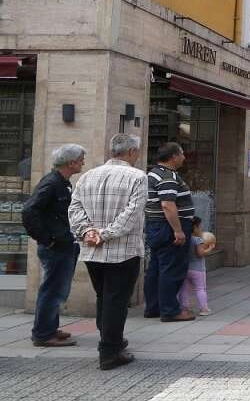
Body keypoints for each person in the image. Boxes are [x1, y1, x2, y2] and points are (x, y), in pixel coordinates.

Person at [69, 133, 147, 370]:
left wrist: (87, 231)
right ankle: (110, 351)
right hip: (122, 250)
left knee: (104, 297)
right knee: (116, 300)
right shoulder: (137, 177)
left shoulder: (88, 176)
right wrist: (104, 233)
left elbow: (74, 208)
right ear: (132, 152)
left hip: (92, 250)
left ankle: (111, 340)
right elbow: (132, 214)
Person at [23, 143, 86, 347]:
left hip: (64, 244)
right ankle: (43, 334)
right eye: (81, 160)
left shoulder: (62, 182)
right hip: (56, 246)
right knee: (53, 290)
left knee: (58, 290)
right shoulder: (51, 183)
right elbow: (29, 211)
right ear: (71, 163)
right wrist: (46, 239)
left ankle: (50, 327)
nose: (83, 163)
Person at [142, 142, 195, 323]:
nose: (184, 158)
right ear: (174, 156)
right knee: (172, 268)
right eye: (182, 154)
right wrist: (178, 230)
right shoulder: (167, 176)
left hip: (156, 226)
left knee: (156, 268)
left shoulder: (153, 173)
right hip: (169, 227)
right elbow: (167, 204)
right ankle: (170, 310)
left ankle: (154, 307)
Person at [178, 218, 215, 316]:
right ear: (195, 228)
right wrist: (210, 249)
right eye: (200, 227)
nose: (201, 230)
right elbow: (200, 254)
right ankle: (204, 308)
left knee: (184, 289)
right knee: (200, 288)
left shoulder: (185, 240)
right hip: (198, 270)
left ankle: (184, 308)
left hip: (186, 268)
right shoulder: (198, 240)